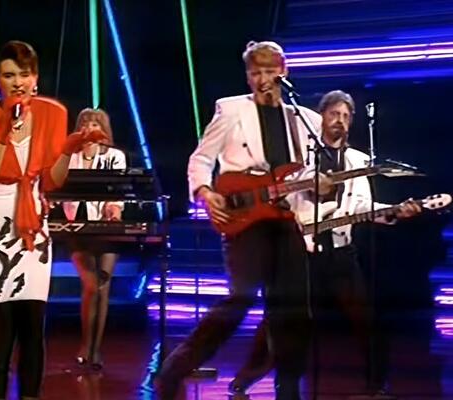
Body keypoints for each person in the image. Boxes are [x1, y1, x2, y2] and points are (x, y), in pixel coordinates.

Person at [155, 40, 327, 400]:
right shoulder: (231, 109)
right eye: (255, 72)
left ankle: (288, 389)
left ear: (284, 72)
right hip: (245, 216)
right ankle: (176, 368)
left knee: (293, 306)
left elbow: (308, 178)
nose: (262, 79)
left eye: (269, 71)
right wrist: (206, 192)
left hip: (286, 220)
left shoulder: (307, 120)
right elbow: (201, 159)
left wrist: (321, 186)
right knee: (241, 297)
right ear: (248, 76)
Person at [228, 90, 421, 396]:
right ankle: (261, 383)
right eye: (334, 114)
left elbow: (362, 207)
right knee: (285, 322)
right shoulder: (299, 157)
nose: (339, 121)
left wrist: (395, 211)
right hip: (301, 254)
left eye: (345, 116)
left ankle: (377, 386)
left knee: (366, 319)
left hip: (341, 252)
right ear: (321, 118)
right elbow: (283, 198)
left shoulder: (358, 160)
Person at [0, 40, 105, 400]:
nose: (18, 82)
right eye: (9, 75)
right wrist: (7, 134)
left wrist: (67, 150)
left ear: (35, 78)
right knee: (2, 326)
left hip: (34, 227)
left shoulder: (53, 113)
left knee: (33, 325)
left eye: (24, 74)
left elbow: (52, 180)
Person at [62, 108, 126, 370]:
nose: (89, 128)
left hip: (107, 230)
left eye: (95, 123)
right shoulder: (69, 157)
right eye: (85, 123)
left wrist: (114, 209)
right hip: (77, 229)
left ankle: (96, 350)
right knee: (90, 285)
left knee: (102, 288)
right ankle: (85, 345)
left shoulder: (114, 157)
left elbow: (118, 193)